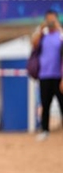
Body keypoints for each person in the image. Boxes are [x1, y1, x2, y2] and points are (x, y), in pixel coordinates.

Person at [31, 10, 63, 141]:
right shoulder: (42, 36)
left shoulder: (60, 36)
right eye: (48, 20)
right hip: (44, 75)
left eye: (52, 20)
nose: (50, 22)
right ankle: (45, 130)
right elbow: (33, 43)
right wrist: (40, 28)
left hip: (59, 76)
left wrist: (58, 28)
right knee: (45, 104)